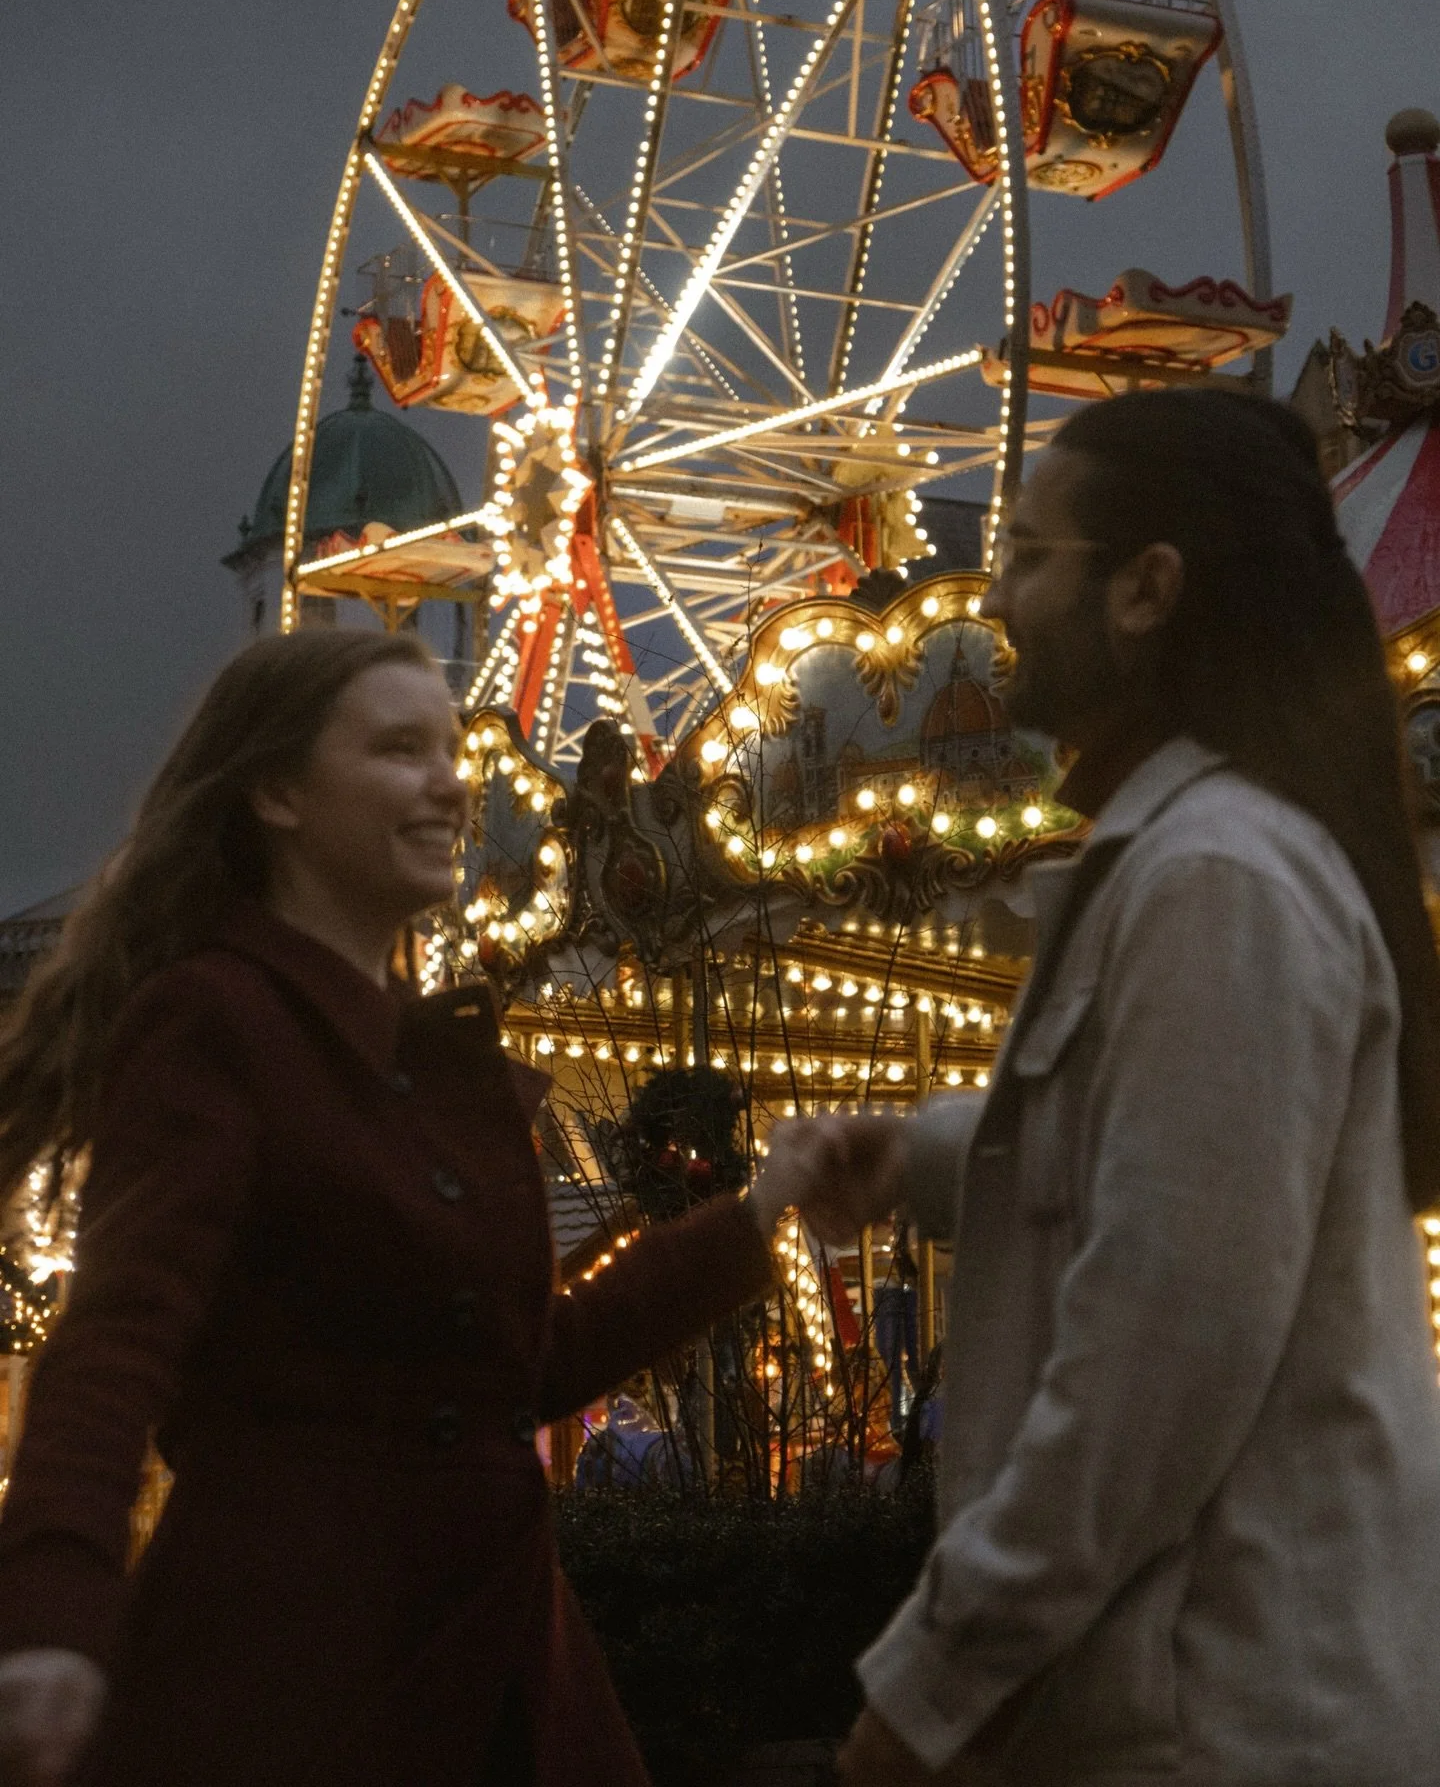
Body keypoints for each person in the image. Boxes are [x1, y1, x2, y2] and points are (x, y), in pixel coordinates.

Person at [769, 389, 1440, 1785]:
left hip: (1220, 1712)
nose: (999, 593)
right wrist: (923, 1152)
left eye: (1028, 556)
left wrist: (928, 1693)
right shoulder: (1195, 856)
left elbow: (1157, 1358)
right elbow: (1159, 1166)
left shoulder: (1218, 880)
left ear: (1147, 590)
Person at [0, 629, 788, 1787]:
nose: (450, 781)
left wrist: (765, 1219)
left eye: (451, 748)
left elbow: (516, 1368)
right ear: (275, 792)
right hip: (302, 1650)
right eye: (398, 748)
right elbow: (120, 1336)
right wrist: (56, 1607)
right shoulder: (219, 1021)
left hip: (493, 1637)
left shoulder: (416, 1057)